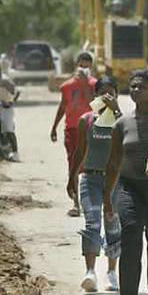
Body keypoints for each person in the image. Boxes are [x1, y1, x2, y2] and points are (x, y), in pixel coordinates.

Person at [104, 69, 148, 295]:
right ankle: (128, 292)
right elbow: (113, 163)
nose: (135, 90)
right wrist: (107, 198)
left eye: (141, 86)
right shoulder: (122, 124)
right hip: (129, 187)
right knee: (130, 236)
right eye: (132, 86)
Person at [67, 76, 122, 293]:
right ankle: (90, 272)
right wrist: (71, 176)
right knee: (91, 223)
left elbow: (126, 142)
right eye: (102, 93)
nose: (106, 97)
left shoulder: (121, 121)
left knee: (112, 225)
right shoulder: (86, 120)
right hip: (90, 177)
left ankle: (111, 272)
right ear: (95, 95)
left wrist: (116, 111)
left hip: (115, 180)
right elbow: (79, 151)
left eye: (111, 93)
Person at [50, 51, 97, 217]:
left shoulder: (95, 85)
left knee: (92, 166)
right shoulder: (67, 86)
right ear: (76, 65)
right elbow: (63, 106)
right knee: (73, 164)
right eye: (81, 64)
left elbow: (95, 105)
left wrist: (85, 86)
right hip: (72, 129)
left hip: (91, 128)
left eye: (87, 64)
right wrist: (54, 126)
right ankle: (76, 203)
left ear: (91, 66)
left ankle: (92, 201)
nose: (84, 67)